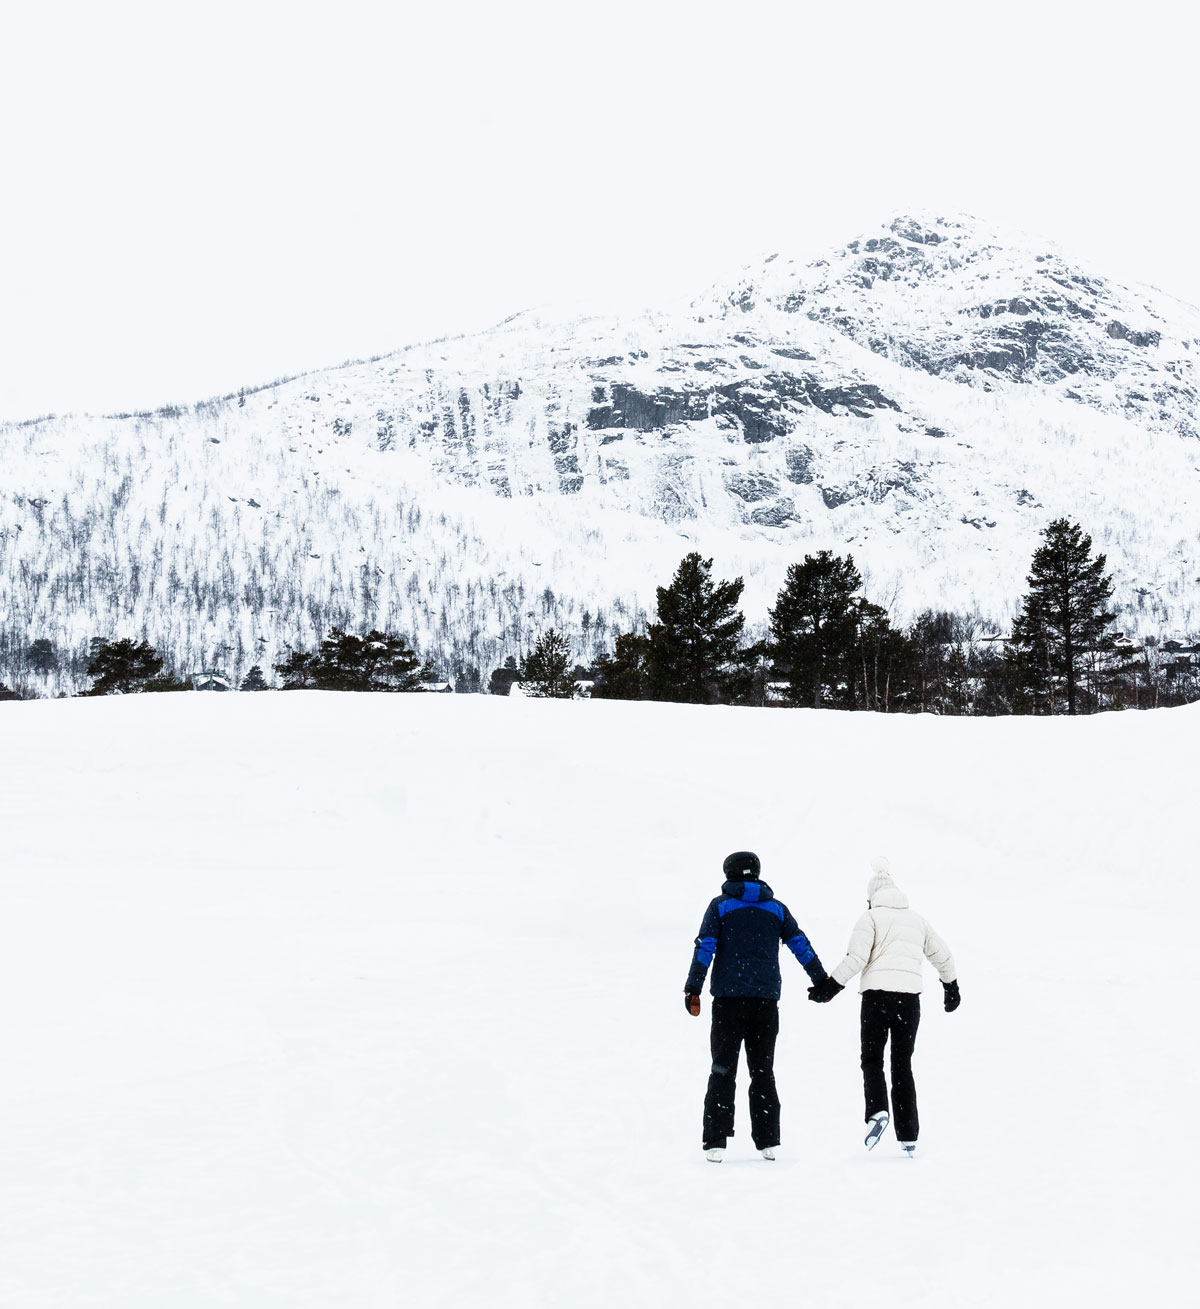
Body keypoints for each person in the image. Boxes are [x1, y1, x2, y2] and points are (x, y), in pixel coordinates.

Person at [684, 850, 831, 1162]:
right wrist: (821, 980)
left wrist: (693, 987)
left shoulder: (720, 906)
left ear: (729, 875)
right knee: (763, 1070)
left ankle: (716, 1142)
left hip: (728, 1001)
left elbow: (706, 947)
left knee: (722, 1069)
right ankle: (768, 1141)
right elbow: (799, 944)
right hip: (765, 1002)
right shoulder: (776, 909)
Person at [809, 856, 960, 1157]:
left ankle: (878, 1111)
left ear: (871, 897)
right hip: (909, 1000)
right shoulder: (917, 920)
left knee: (872, 1059)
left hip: (877, 998)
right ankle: (908, 1135)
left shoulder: (870, 918)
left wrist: (830, 988)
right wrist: (950, 987)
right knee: (902, 1064)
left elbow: (856, 959)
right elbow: (943, 955)